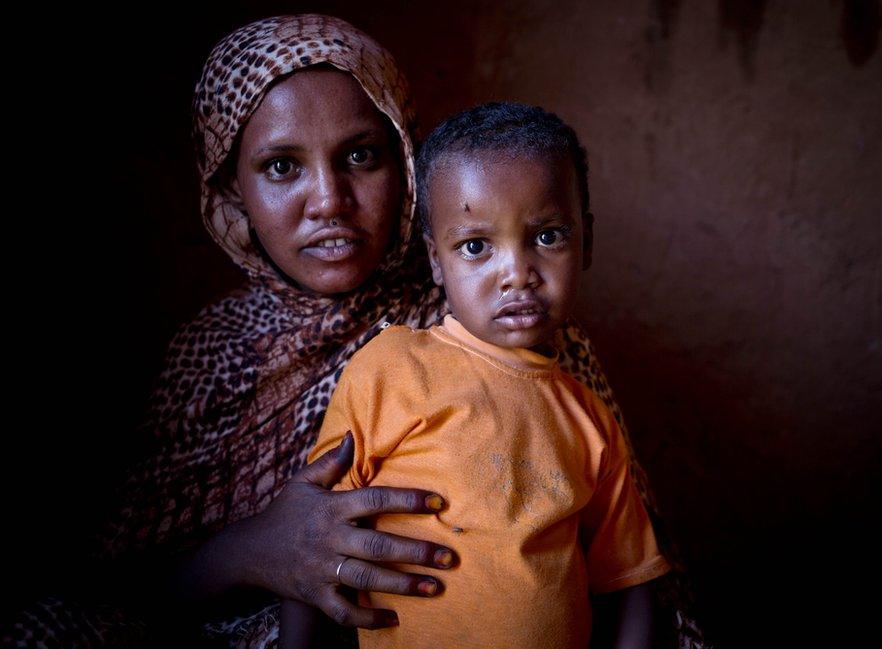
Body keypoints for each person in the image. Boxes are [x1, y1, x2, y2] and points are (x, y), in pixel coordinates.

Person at [3, 14, 707, 649]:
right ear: (229, 192)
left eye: (362, 156)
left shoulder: (508, 334)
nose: (329, 200)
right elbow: (122, 588)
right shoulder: (210, 351)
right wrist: (254, 549)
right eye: (282, 166)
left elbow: (634, 576)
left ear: (406, 166)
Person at [283, 102, 673, 649]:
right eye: (475, 246)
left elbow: (629, 581)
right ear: (436, 261)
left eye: (547, 237)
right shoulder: (391, 368)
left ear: (586, 239)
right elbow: (314, 542)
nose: (517, 274)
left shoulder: (589, 418)